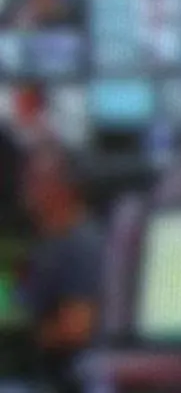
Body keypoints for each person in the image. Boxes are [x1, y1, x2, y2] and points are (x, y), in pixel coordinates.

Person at [18, 145, 104, 393]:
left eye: (36, 180)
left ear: (64, 187)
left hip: (62, 379)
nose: (27, 188)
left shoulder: (82, 243)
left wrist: (28, 332)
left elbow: (78, 327)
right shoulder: (47, 236)